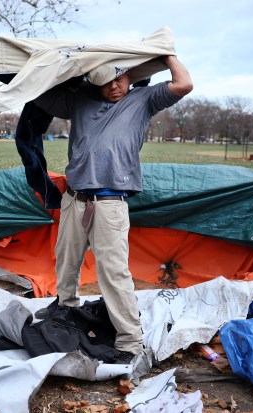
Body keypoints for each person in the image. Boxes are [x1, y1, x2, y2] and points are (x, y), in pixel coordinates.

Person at [33, 55, 193, 363]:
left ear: (131, 76)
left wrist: (167, 54)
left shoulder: (143, 100)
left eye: (120, 77)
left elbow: (184, 83)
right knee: (66, 259)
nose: (115, 85)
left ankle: (130, 342)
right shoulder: (80, 99)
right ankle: (65, 305)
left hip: (110, 204)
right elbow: (41, 95)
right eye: (107, 79)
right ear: (95, 80)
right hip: (75, 198)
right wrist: (60, 71)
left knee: (113, 273)